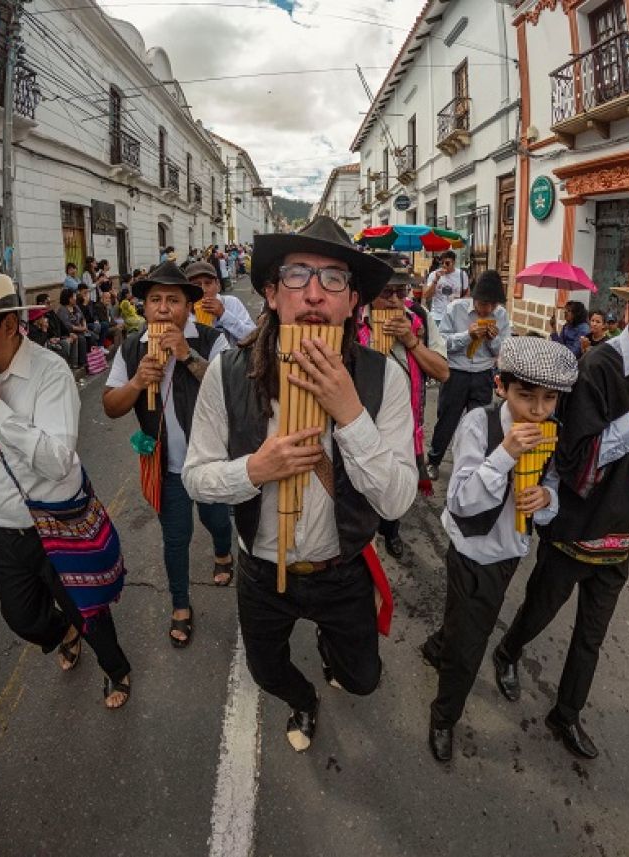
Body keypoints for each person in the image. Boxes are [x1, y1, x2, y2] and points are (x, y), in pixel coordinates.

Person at [182, 216, 417, 753]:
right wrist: (254, 471)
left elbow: (399, 498)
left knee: (362, 678)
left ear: (353, 299)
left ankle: (334, 656)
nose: (314, 293)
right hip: (263, 572)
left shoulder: (386, 379)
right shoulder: (227, 374)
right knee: (268, 671)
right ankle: (304, 699)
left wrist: (350, 414)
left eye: (334, 279)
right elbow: (196, 478)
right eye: (296, 276)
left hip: (342, 569)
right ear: (270, 292)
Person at [493, 258, 629, 760]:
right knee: (540, 609)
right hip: (576, 527)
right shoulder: (597, 368)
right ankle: (508, 651)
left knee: (591, 636)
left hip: (621, 531)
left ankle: (566, 714)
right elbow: (575, 464)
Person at [0, 273, 132, 709]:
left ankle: (116, 669)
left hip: (57, 520)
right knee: (21, 618)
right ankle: (65, 633)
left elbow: (58, 461)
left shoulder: (50, 372)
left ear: (8, 326)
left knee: (89, 611)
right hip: (3, 528)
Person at [425, 338, 578, 762]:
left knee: (464, 620)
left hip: (510, 551)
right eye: (526, 395)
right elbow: (461, 501)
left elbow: (551, 486)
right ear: (501, 386)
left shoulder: (553, 432)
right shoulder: (479, 423)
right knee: (470, 645)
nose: (538, 409)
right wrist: (506, 454)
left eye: (549, 399)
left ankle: (438, 645)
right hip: (472, 550)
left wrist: (546, 501)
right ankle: (444, 716)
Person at [102, 262, 232, 647]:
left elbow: (230, 393)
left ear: (187, 307)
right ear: (143, 307)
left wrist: (188, 356)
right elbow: (111, 405)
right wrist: (138, 381)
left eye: (172, 300)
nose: (162, 308)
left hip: (209, 462)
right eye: (154, 300)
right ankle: (180, 604)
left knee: (217, 521)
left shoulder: (211, 339)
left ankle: (223, 552)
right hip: (166, 466)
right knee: (176, 538)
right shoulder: (131, 346)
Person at [357, 252, 448, 559]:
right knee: (362, 488)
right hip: (362, 424)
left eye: (402, 291)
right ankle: (363, 535)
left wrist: (411, 341)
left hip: (405, 425)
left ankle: (391, 531)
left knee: (396, 485)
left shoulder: (419, 318)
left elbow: (443, 372)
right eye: (387, 292)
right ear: (370, 293)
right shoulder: (351, 321)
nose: (396, 300)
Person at [426, 270, 511, 481]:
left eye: (494, 305)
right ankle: (434, 461)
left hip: (483, 375)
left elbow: (503, 351)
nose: (488, 310)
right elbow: (442, 343)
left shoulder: (501, 316)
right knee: (447, 420)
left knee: (478, 424)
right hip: (456, 373)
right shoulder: (455, 309)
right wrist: (467, 336)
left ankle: (471, 467)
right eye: (484, 304)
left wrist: (492, 340)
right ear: (474, 298)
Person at [185, 260, 256, 345]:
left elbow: (253, 337)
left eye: (208, 283)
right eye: (196, 285)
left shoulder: (231, 303)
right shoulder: (184, 313)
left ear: (218, 285)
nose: (203, 290)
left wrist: (224, 314)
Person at [423, 251, 468, 329]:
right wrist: (436, 279)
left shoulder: (462, 275)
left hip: (455, 317)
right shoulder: (434, 274)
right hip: (437, 317)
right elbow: (426, 295)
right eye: (442, 263)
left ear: (454, 262)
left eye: (447, 263)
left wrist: (459, 301)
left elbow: (467, 295)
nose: (444, 265)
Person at [36, 293, 82, 369]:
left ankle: (74, 364)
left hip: (58, 336)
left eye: (51, 302)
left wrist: (68, 334)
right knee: (65, 343)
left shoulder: (51, 312)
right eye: (48, 303)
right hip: (50, 339)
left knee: (74, 337)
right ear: (40, 304)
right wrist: (59, 338)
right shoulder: (39, 316)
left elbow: (61, 324)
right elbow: (45, 331)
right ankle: (65, 366)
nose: (50, 305)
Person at [57, 288, 97, 357]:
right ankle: (82, 362)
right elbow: (68, 326)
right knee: (81, 339)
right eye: (74, 296)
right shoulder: (62, 310)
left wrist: (84, 327)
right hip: (70, 332)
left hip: (81, 329)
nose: (76, 298)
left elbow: (83, 318)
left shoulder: (76, 307)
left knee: (92, 336)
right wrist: (82, 329)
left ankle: (92, 358)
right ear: (69, 299)